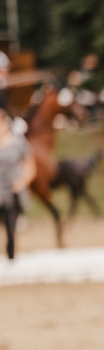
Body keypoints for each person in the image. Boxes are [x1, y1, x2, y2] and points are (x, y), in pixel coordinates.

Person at [0, 107, 36, 260]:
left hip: (12, 191)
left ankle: (11, 255)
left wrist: (22, 181)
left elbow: (30, 165)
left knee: (11, 227)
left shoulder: (18, 143)